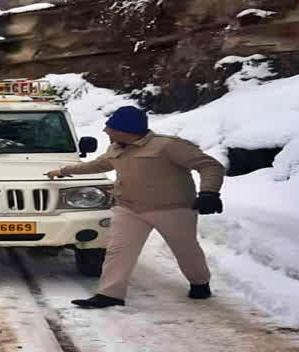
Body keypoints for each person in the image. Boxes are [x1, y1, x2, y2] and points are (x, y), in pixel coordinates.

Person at [45, 106, 226, 309]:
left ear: (126, 130)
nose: (105, 131)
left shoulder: (168, 146)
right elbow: (97, 165)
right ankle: (110, 294)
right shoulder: (116, 148)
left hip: (172, 209)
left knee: (186, 250)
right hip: (129, 208)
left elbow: (210, 165)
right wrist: (63, 171)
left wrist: (209, 192)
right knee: (118, 250)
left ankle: (200, 282)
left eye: (110, 127)